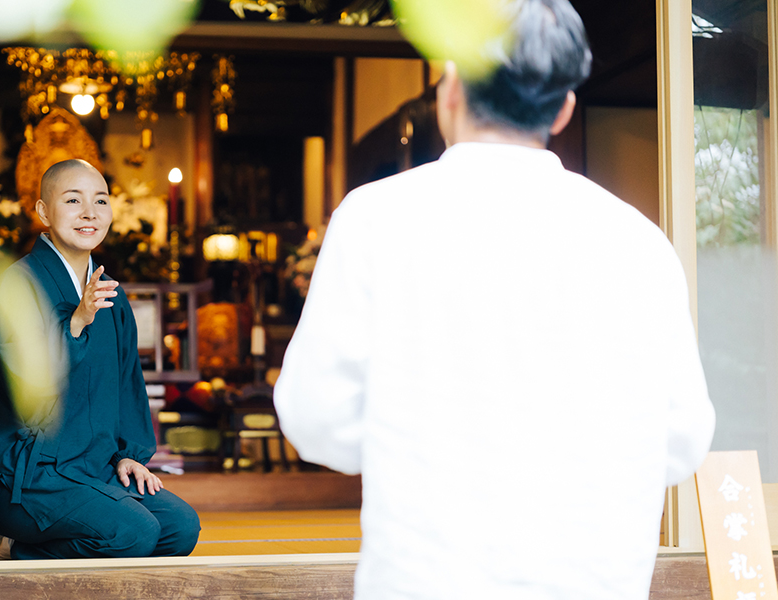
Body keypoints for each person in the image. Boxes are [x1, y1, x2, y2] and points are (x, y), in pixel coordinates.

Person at [274, 1, 715, 599]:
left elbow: (316, 419)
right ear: (563, 108)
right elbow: (681, 441)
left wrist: (417, 437)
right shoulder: (640, 241)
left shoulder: (376, 219)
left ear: (449, 88)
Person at [0, 159, 200, 560]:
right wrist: (74, 324)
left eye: (100, 201)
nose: (89, 213)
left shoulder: (110, 293)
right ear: (44, 211)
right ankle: (19, 551)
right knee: (134, 532)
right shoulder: (18, 285)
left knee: (179, 528)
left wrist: (129, 454)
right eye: (73, 200)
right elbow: (28, 392)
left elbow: (128, 384)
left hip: (93, 468)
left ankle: (36, 547)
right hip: (30, 475)